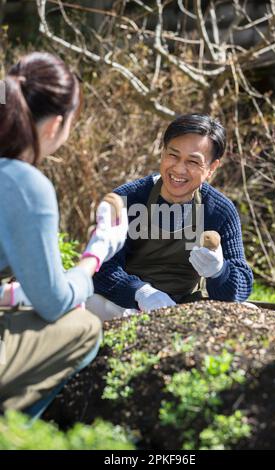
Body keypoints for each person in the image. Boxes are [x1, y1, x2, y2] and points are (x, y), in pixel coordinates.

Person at [0, 52, 128, 417]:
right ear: (55, 125)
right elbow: (55, 302)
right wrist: (96, 253)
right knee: (82, 326)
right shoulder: (25, 184)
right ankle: (10, 434)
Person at [87, 114, 254, 320]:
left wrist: (220, 271)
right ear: (163, 151)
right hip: (125, 306)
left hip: (186, 309)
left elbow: (241, 286)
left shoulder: (219, 211)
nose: (178, 169)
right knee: (89, 303)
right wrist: (141, 293)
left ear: (212, 168)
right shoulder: (128, 199)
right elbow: (101, 267)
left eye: (193, 161)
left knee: (249, 314)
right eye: (173, 155)